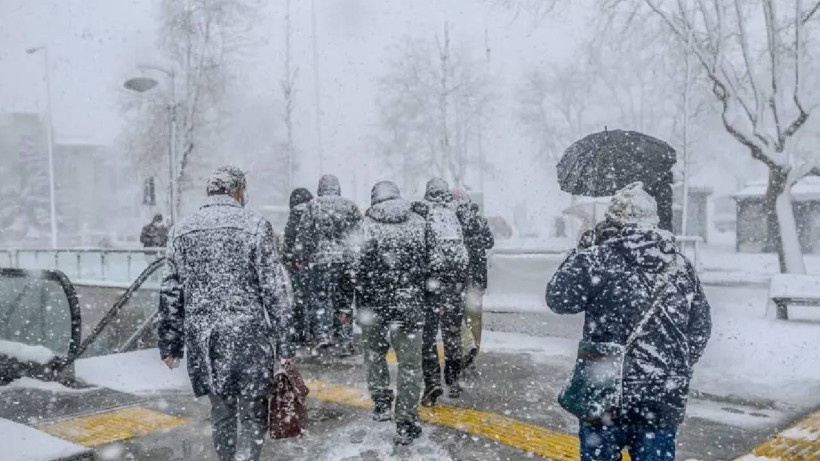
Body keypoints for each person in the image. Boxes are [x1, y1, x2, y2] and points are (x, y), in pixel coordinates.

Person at [545, 182, 711, 461]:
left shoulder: (596, 259)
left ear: (612, 220)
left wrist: (582, 247)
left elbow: (558, 299)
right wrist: (671, 366)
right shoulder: (680, 266)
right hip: (661, 398)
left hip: (604, 394)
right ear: (654, 222)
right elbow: (700, 328)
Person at [158, 166, 294, 461]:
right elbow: (275, 290)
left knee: (221, 411)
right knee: (252, 413)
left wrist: (170, 343)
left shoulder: (181, 230)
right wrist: (284, 343)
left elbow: (171, 290)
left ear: (209, 191)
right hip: (248, 335)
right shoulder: (256, 226)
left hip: (204, 337)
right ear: (239, 189)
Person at [352, 181, 427, 445]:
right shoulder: (419, 222)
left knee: (374, 355)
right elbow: (433, 263)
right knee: (409, 365)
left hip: (373, 307)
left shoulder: (365, 225)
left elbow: (353, 267)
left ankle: (382, 403)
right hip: (409, 305)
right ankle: (406, 420)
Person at [412, 178, 469, 406]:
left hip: (430, 286)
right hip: (455, 285)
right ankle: (453, 381)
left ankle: (432, 382)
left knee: (428, 338)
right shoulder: (456, 215)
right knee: (452, 336)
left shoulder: (422, 214)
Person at [295, 174, 361, 356]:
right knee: (344, 301)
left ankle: (323, 335)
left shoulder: (312, 206)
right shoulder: (350, 206)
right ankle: (345, 339)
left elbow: (304, 235)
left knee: (321, 299)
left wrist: (301, 257)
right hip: (345, 262)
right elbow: (358, 236)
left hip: (320, 261)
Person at [451, 189, 494, 370]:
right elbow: (489, 242)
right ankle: (473, 351)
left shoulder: (451, 220)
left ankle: (464, 348)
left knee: (455, 316)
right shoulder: (478, 218)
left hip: (457, 278)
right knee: (474, 318)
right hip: (476, 278)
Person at [283, 187, 314, 345]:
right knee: (317, 299)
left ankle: (300, 333)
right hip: (314, 263)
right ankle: (318, 333)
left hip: (297, 264)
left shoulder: (295, 215)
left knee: (298, 300)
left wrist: (290, 259)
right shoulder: (314, 212)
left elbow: (289, 241)